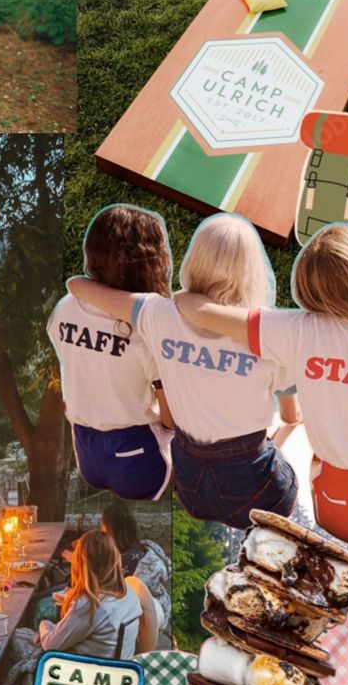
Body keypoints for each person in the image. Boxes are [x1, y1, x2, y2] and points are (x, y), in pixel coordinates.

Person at [68, 214, 300, 530]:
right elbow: (290, 417)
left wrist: (187, 303)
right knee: (287, 470)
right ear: (252, 270)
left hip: (191, 490)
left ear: (196, 259)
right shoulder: (269, 334)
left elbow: (78, 286)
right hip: (255, 495)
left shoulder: (157, 314)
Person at [174, 223, 348, 549]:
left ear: (308, 287)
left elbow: (198, 310)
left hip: (340, 512)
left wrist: (179, 298)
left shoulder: (296, 330)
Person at [47, 204, 174, 502]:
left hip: (87, 455)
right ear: (150, 262)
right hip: (139, 463)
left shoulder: (65, 307)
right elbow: (170, 420)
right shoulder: (149, 328)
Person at [0, 530, 143, 685]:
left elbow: (51, 645)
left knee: (10, 643)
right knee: (23, 636)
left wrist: (45, 625)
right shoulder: (128, 594)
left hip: (82, 679)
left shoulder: (92, 605)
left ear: (83, 564)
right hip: (114, 674)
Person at [101, 503, 171, 630]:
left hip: (144, 621)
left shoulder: (126, 560)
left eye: (104, 528)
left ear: (112, 530)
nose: (102, 532)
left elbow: (110, 594)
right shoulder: (140, 549)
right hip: (158, 610)